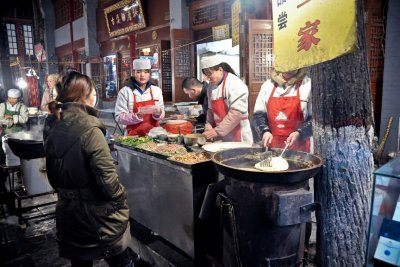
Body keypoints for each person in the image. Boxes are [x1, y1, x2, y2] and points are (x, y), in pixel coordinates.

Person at [43, 71, 133, 267]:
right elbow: (107, 178)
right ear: (84, 95)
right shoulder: (90, 128)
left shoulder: (53, 122)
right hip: (97, 216)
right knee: (120, 257)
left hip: (68, 211)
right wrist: (120, 197)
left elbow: (52, 173)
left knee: (80, 259)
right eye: (93, 91)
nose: (96, 95)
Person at [252, 68, 312, 152]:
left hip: (299, 148)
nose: (287, 68)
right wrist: (264, 131)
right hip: (271, 146)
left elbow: (314, 120)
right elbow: (258, 115)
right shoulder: (267, 85)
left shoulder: (308, 85)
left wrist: (300, 132)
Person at [200, 54, 253, 142]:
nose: (207, 78)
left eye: (209, 74)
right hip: (222, 134)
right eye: (206, 75)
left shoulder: (234, 83)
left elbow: (236, 114)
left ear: (220, 70)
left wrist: (216, 131)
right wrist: (208, 127)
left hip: (238, 134)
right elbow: (210, 110)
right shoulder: (210, 87)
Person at [115, 59, 165, 136]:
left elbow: (161, 113)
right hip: (133, 136)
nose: (142, 75)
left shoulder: (156, 90)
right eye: (138, 72)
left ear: (149, 73)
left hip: (155, 135)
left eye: (146, 72)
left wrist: (158, 113)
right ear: (133, 73)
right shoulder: (125, 92)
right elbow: (119, 117)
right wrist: (136, 116)